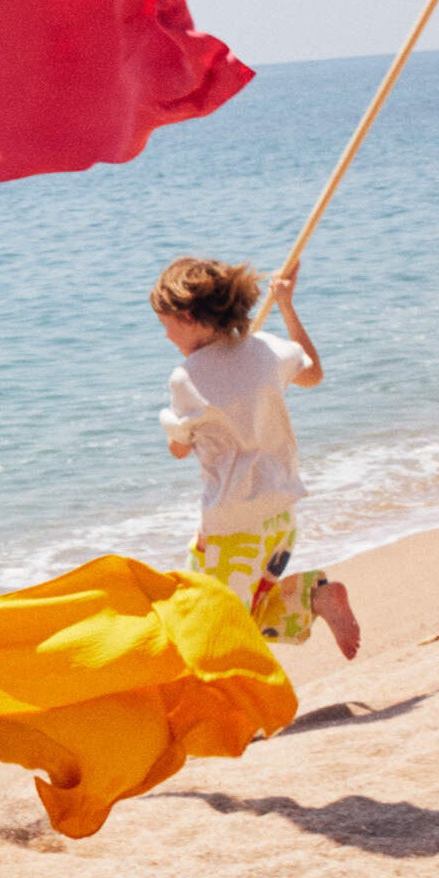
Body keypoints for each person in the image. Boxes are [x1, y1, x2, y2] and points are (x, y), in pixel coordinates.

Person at [152, 257, 360, 659]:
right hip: (280, 516)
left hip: (234, 522)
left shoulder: (187, 377)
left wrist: (177, 437)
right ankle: (312, 598)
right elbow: (312, 373)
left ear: (190, 317)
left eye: (166, 324)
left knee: (216, 622)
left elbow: (179, 449)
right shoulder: (266, 349)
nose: (165, 335)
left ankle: (312, 604)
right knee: (230, 602)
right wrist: (286, 306)